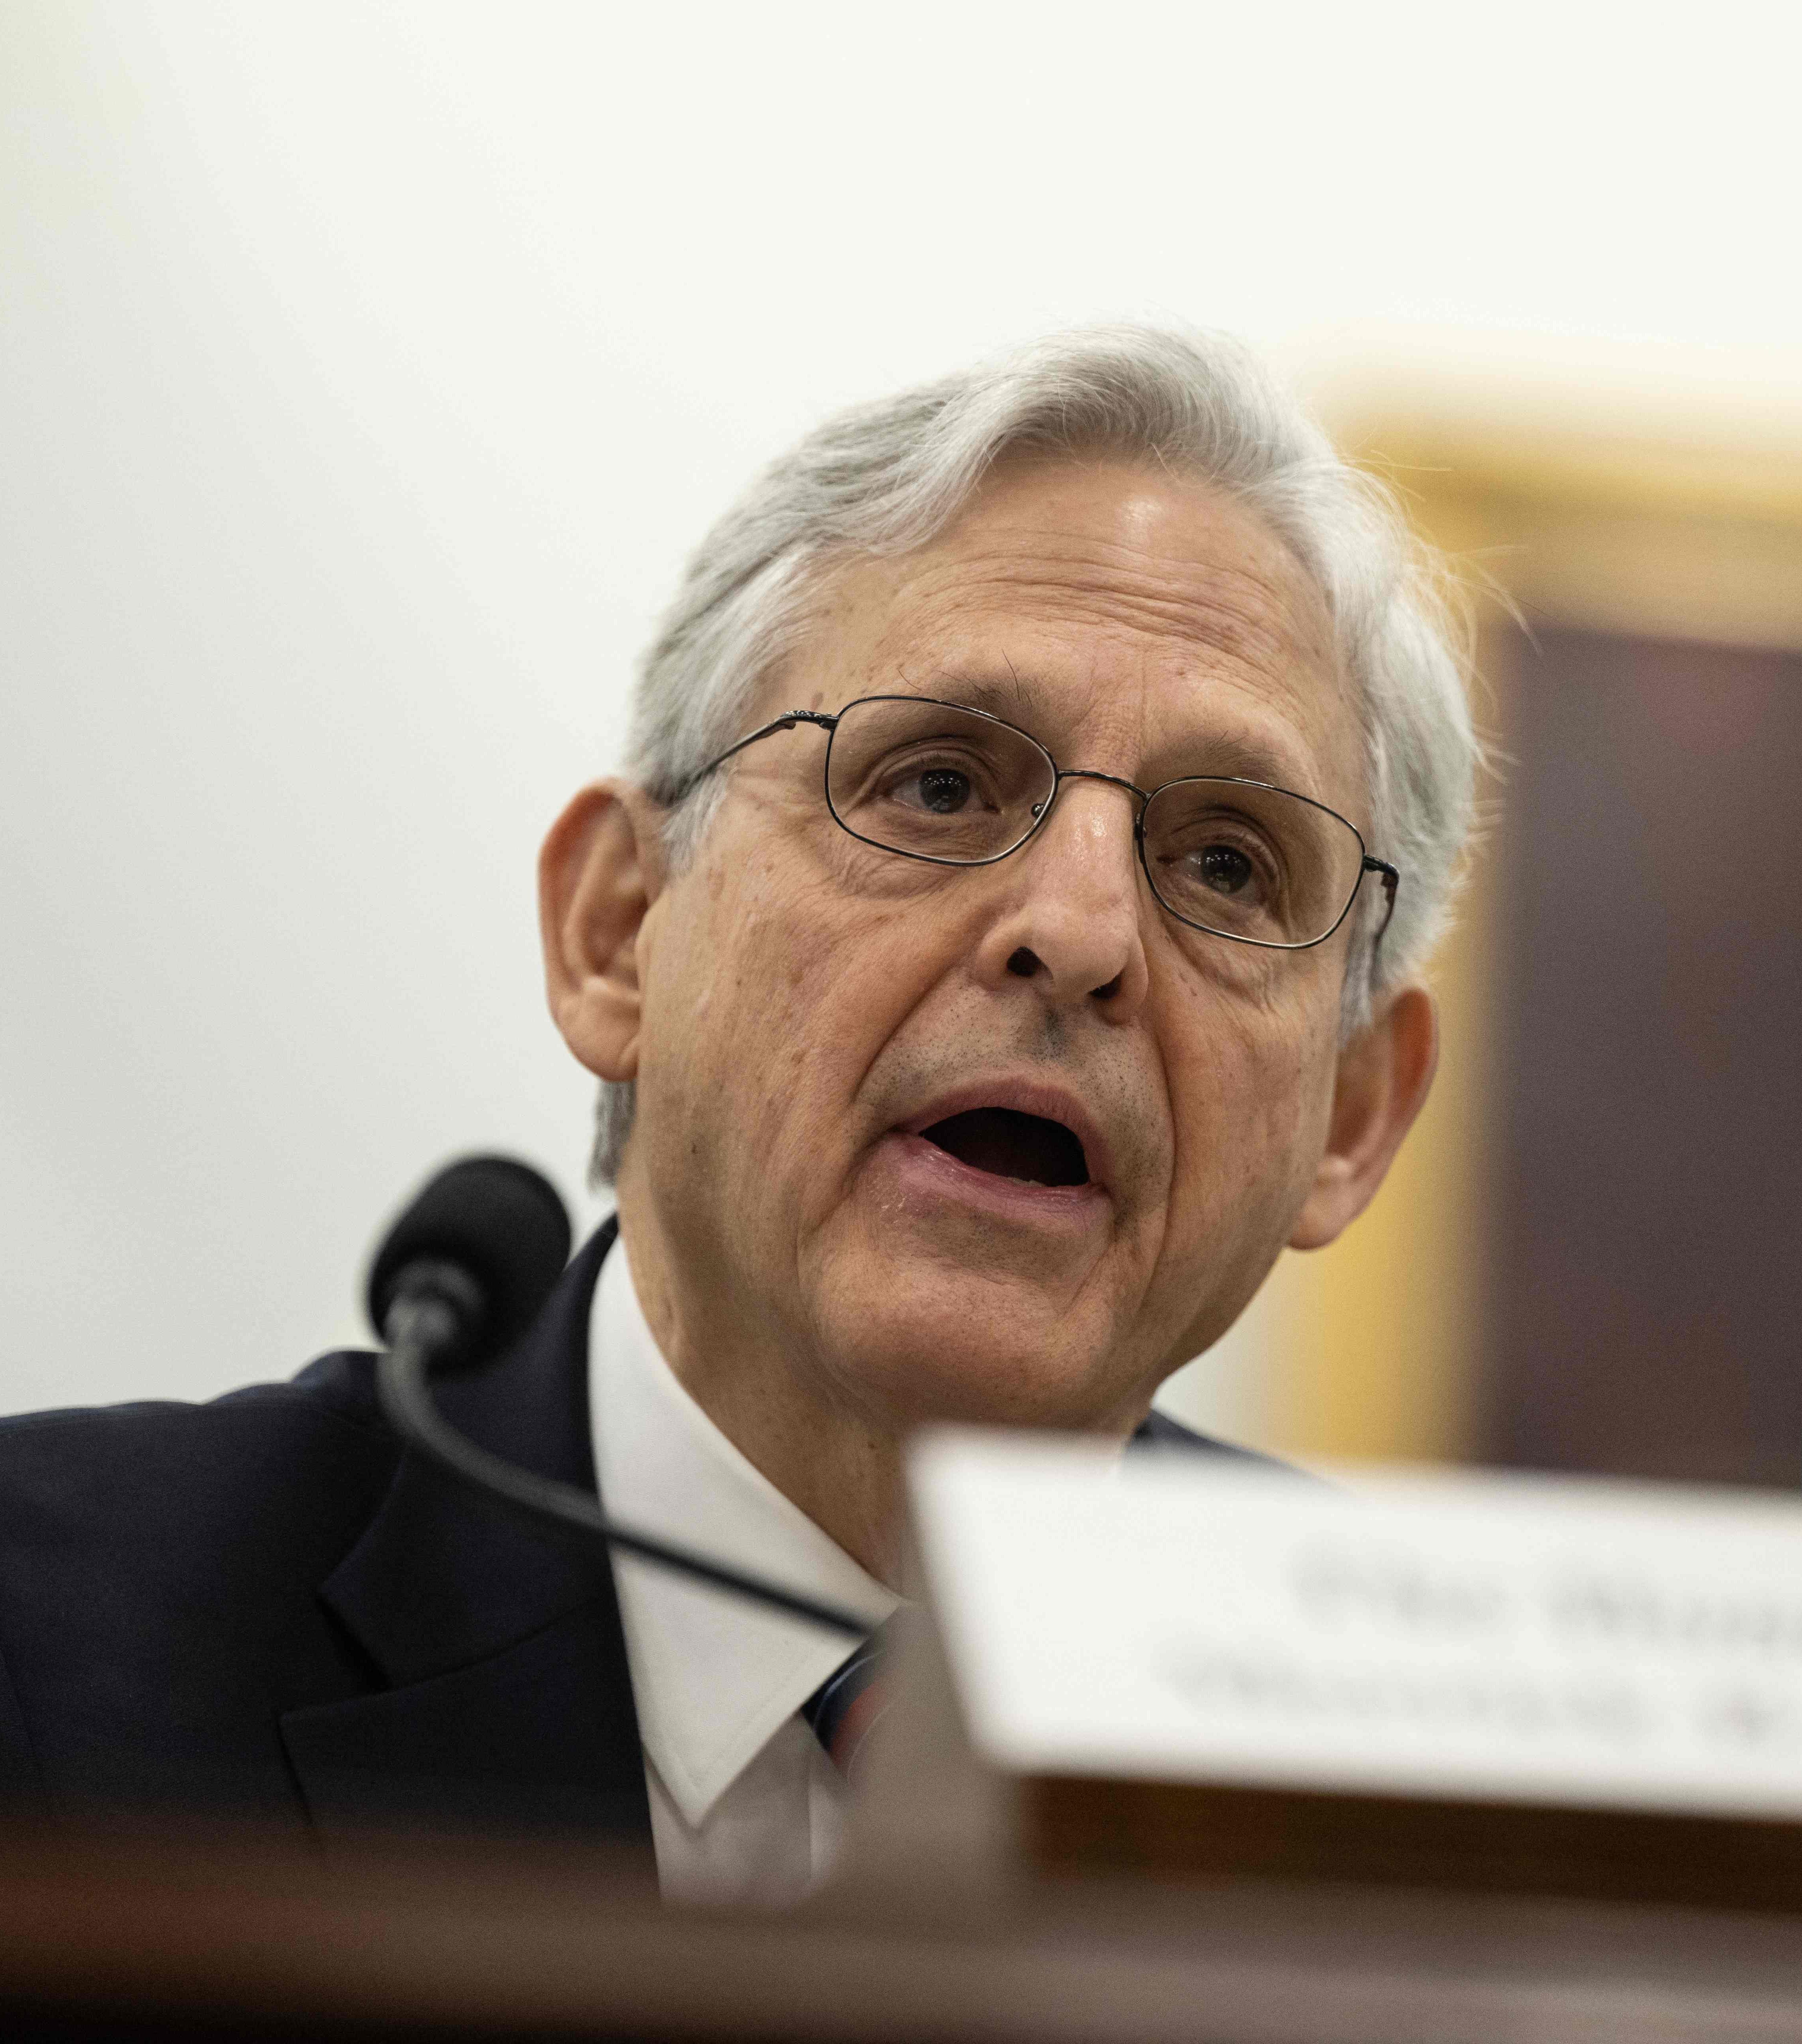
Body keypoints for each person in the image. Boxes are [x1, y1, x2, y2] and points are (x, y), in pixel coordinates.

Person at [0, 326, 1476, 1899]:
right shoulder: (49, 1657)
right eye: (936, 784)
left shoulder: (1450, 1776)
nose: (1081, 929)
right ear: (618, 930)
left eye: (1229, 861)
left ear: (1348, 1116)